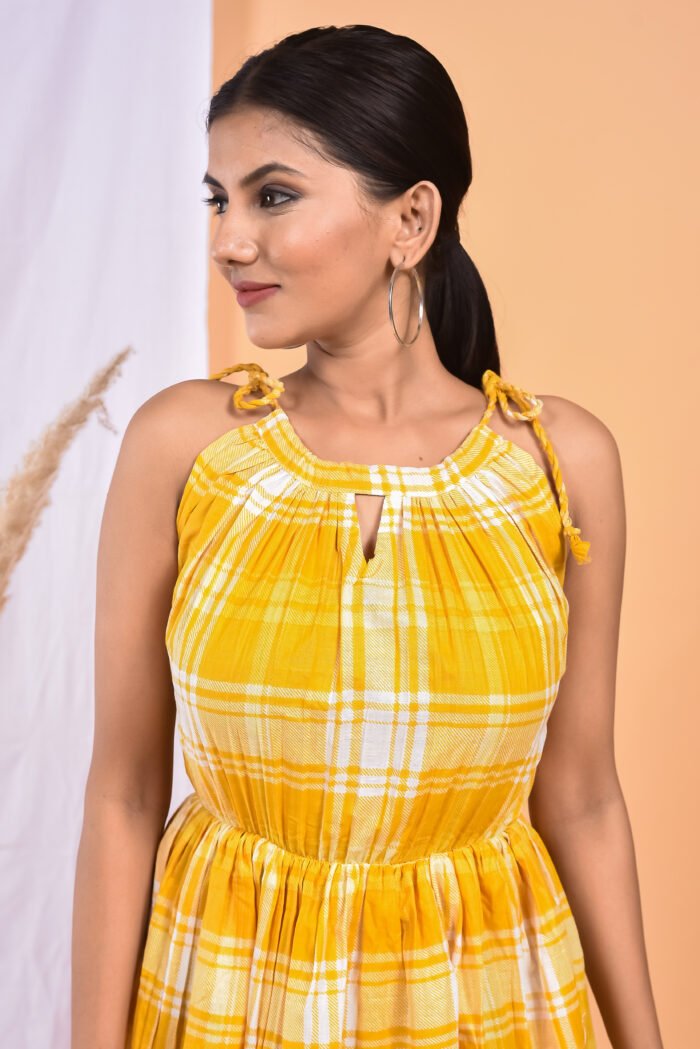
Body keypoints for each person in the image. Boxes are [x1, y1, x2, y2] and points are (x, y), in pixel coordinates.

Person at [71, 23, 664, 1049]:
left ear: (411, 218)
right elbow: (124, 792)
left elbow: (581, 796)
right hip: (224, 991)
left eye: (273, 194)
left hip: (486, 999)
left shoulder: (559, 465)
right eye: (217, 199)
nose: (226, 239)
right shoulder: (183, 445)